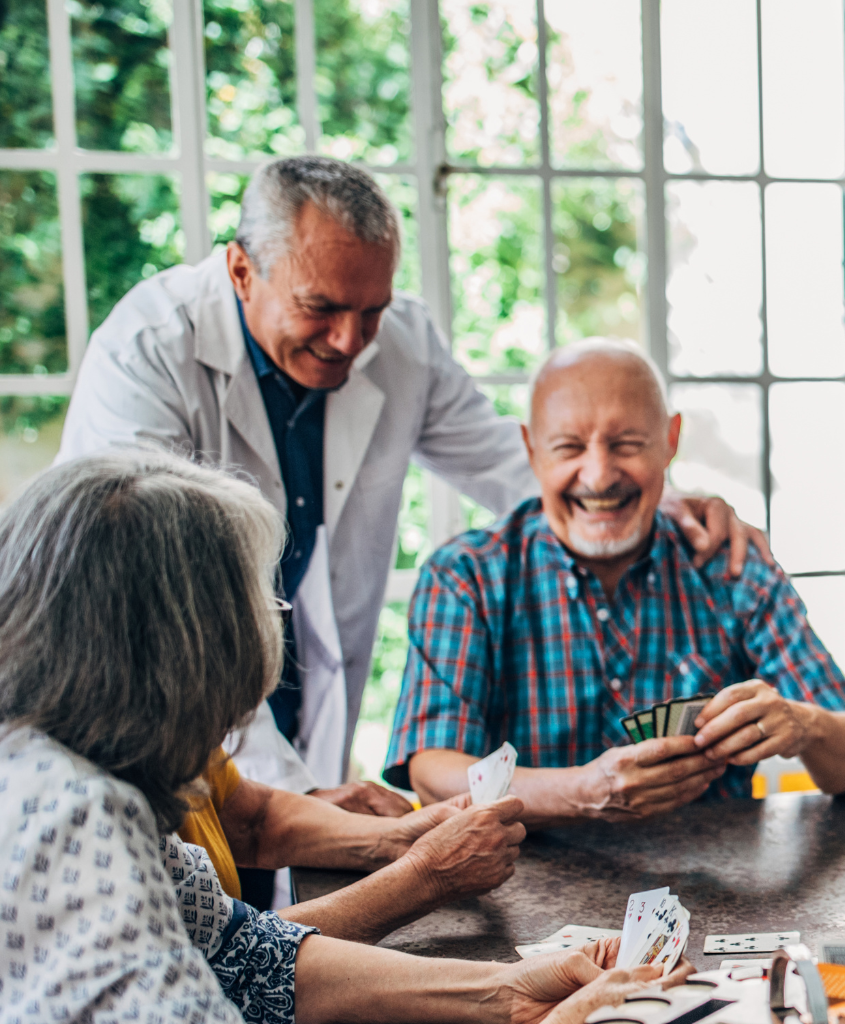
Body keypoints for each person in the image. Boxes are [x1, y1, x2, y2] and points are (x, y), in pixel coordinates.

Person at [0, 447, 677, 1024]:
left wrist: (506, 991)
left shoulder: (58, 767)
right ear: (187, 653)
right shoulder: (63, 820)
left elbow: (239, 956)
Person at [59, 155, 764, 808]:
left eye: (372, 309)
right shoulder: (147, 354)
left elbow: (512, 464)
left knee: (284, 908)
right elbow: (150, 611)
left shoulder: (399, 341)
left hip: (291, 673)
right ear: (242, 271)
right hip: (151, 697)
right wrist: (289, 803)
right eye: (320, 309)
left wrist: (669, 506)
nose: (349, 340)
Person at [388, 339, 845, 820]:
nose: (600, 476)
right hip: (517, 881)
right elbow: (433, 774)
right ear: (530, 449)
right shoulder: (465, 577)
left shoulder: (731, 566)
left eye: (627, 445)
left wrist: (806, 725)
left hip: (716, 889)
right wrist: (582, 791)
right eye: (569, 447)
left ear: (670, 440)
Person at [178, 746, 526, 944]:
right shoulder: (126, 805)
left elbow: (254, 819)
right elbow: (231, 952)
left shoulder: (187, 732)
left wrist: (395, 836)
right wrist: (427, 876)